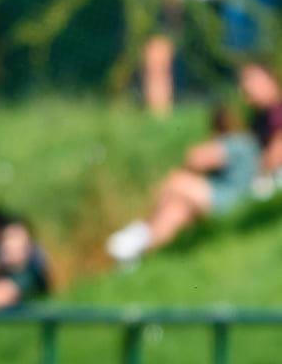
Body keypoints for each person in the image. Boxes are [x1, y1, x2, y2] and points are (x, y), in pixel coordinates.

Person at [108, 63, 282, 264]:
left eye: (253, 80)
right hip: (246, 182)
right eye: (245, 83)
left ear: (270, 80)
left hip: (251, 187)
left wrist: (261, 175)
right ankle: (140, 257)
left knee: (177, 182)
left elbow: (276, 151)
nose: (249, 88)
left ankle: (141, 231)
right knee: (176, 209)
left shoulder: (277, 112)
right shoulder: (258, 117)